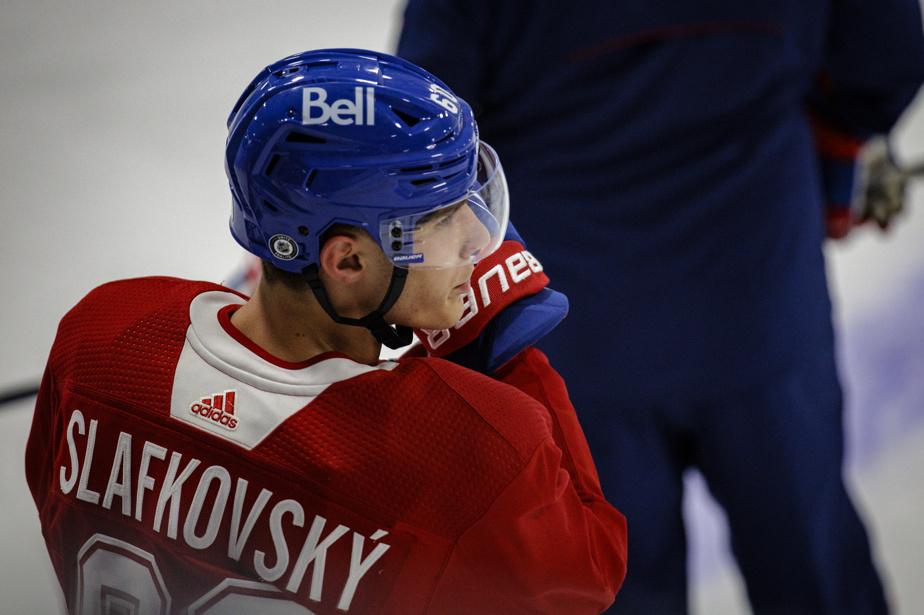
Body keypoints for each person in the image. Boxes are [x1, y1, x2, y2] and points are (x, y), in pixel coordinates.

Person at [25, 49, 627, 614]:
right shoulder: (468, 450)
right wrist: (510, 354)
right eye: (443, 218)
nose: (476, 238)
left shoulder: (101, 335)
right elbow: (586, 577)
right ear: (347, 263)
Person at [398, 2, 924, 614]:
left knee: (613, 583)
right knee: (812, 564)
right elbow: (885, 55)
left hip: (575, 328)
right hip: (759, 298)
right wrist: (834, 150)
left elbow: (419, 130)